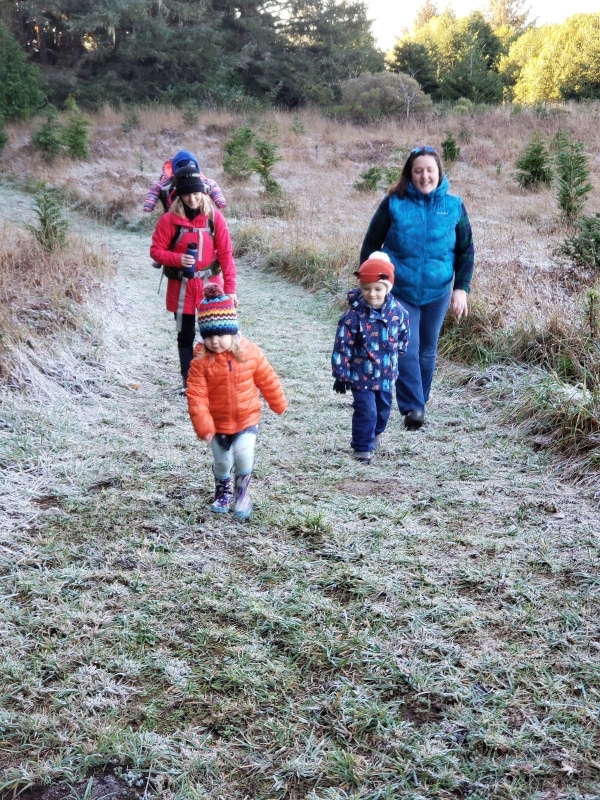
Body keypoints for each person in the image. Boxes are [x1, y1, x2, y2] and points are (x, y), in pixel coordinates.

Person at [360, 145, 474, 430]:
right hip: (399, 289)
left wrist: (461, 288)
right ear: (410, 174)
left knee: (427, 349)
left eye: (430, 170)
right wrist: (371, 283)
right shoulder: (394, 203)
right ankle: (413, 407)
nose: (425, 176)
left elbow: (466, 251)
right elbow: (371, 244)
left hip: (438, 290)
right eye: (418, 171)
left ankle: (418, 403)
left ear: (439, 172)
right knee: (406, 347)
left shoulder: (454, 206)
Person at [186, 286, 287, 520]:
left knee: (243, 454)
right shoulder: (200, 361)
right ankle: (223, 490)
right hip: (217, 423)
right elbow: (196, 396)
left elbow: (267, 378)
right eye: (209, 336)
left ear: (232, 331)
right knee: (222, 462)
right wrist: (203, 424)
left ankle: (242, 493)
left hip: (246, 419)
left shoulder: (250, 353)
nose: (215, 341)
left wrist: (278, 402)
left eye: (221, 335)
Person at [150, 165, 237, 391]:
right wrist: (177, 259)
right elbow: (156, 251)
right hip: (182, 287)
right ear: (179, 194)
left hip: (211, 286)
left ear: (204, 192)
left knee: (217, 333)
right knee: (185, 334)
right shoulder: (169, 220)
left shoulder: (214, 218)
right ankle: (189, 382)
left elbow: (226, 255)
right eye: (187, 193)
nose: (192, 198)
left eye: (196, 193)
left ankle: (218, 379)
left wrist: (231, 289)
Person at [332, 252, 410, 463]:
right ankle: (361, 447)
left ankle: (374, 434)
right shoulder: (353, 316)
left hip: (386, 375)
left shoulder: (398, 313)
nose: (372, 294)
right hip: (361, 376)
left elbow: (404, 334)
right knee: (366, 411)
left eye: (377, 289)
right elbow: (342, 345)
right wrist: (341, 374)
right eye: (366, 289)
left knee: (382, 412)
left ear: (387, 287)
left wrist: (398, 352)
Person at [143, 149, 226, 213]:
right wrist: (149, 204)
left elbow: (156, 187)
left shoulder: (204, 181)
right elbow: (156, 188)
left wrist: (220, 200)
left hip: (200, 220)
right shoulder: (167, 183)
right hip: (173, 222)